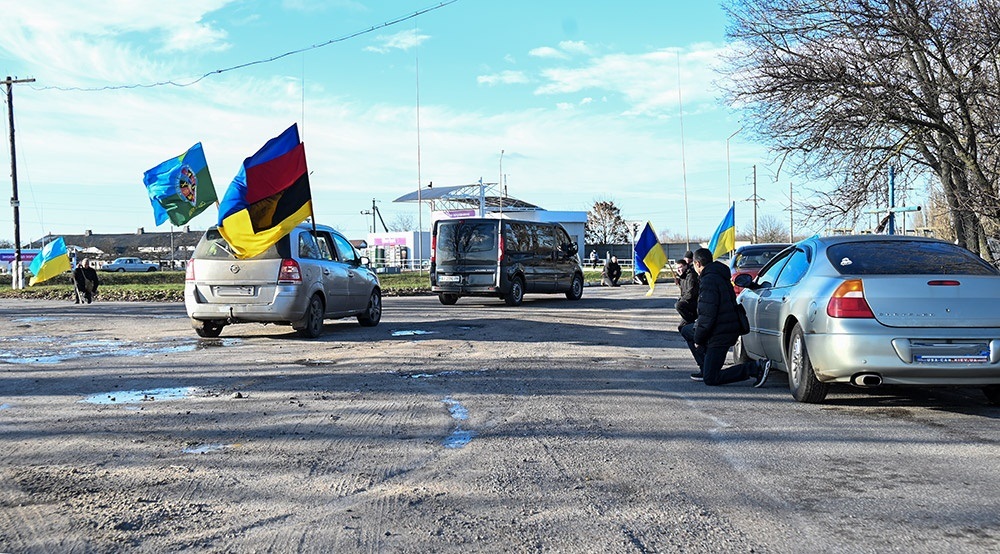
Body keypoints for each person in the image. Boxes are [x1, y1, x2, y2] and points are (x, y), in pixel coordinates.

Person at [679, 248, 769, 386]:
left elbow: (707, 315)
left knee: (711, 379)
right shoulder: (718, 275)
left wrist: (699, 338)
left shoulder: (708, 280)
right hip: (724, 327)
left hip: (720, 333)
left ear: (697, 264)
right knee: (686, 329)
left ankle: (755, 368)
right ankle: (706, 368)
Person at [674, 258, 699, 330]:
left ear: (685, 266)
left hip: (695, 304)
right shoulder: (682, 277)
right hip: (689, 303)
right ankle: (692, 338)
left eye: (680, 267)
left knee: (678, 305)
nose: (678, 270)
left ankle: (692, 324)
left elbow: (690, 293)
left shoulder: (691, 275)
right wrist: (679, 283)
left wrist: (681, 300)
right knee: (681, 328)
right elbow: (684, 292)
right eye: (677, 268)